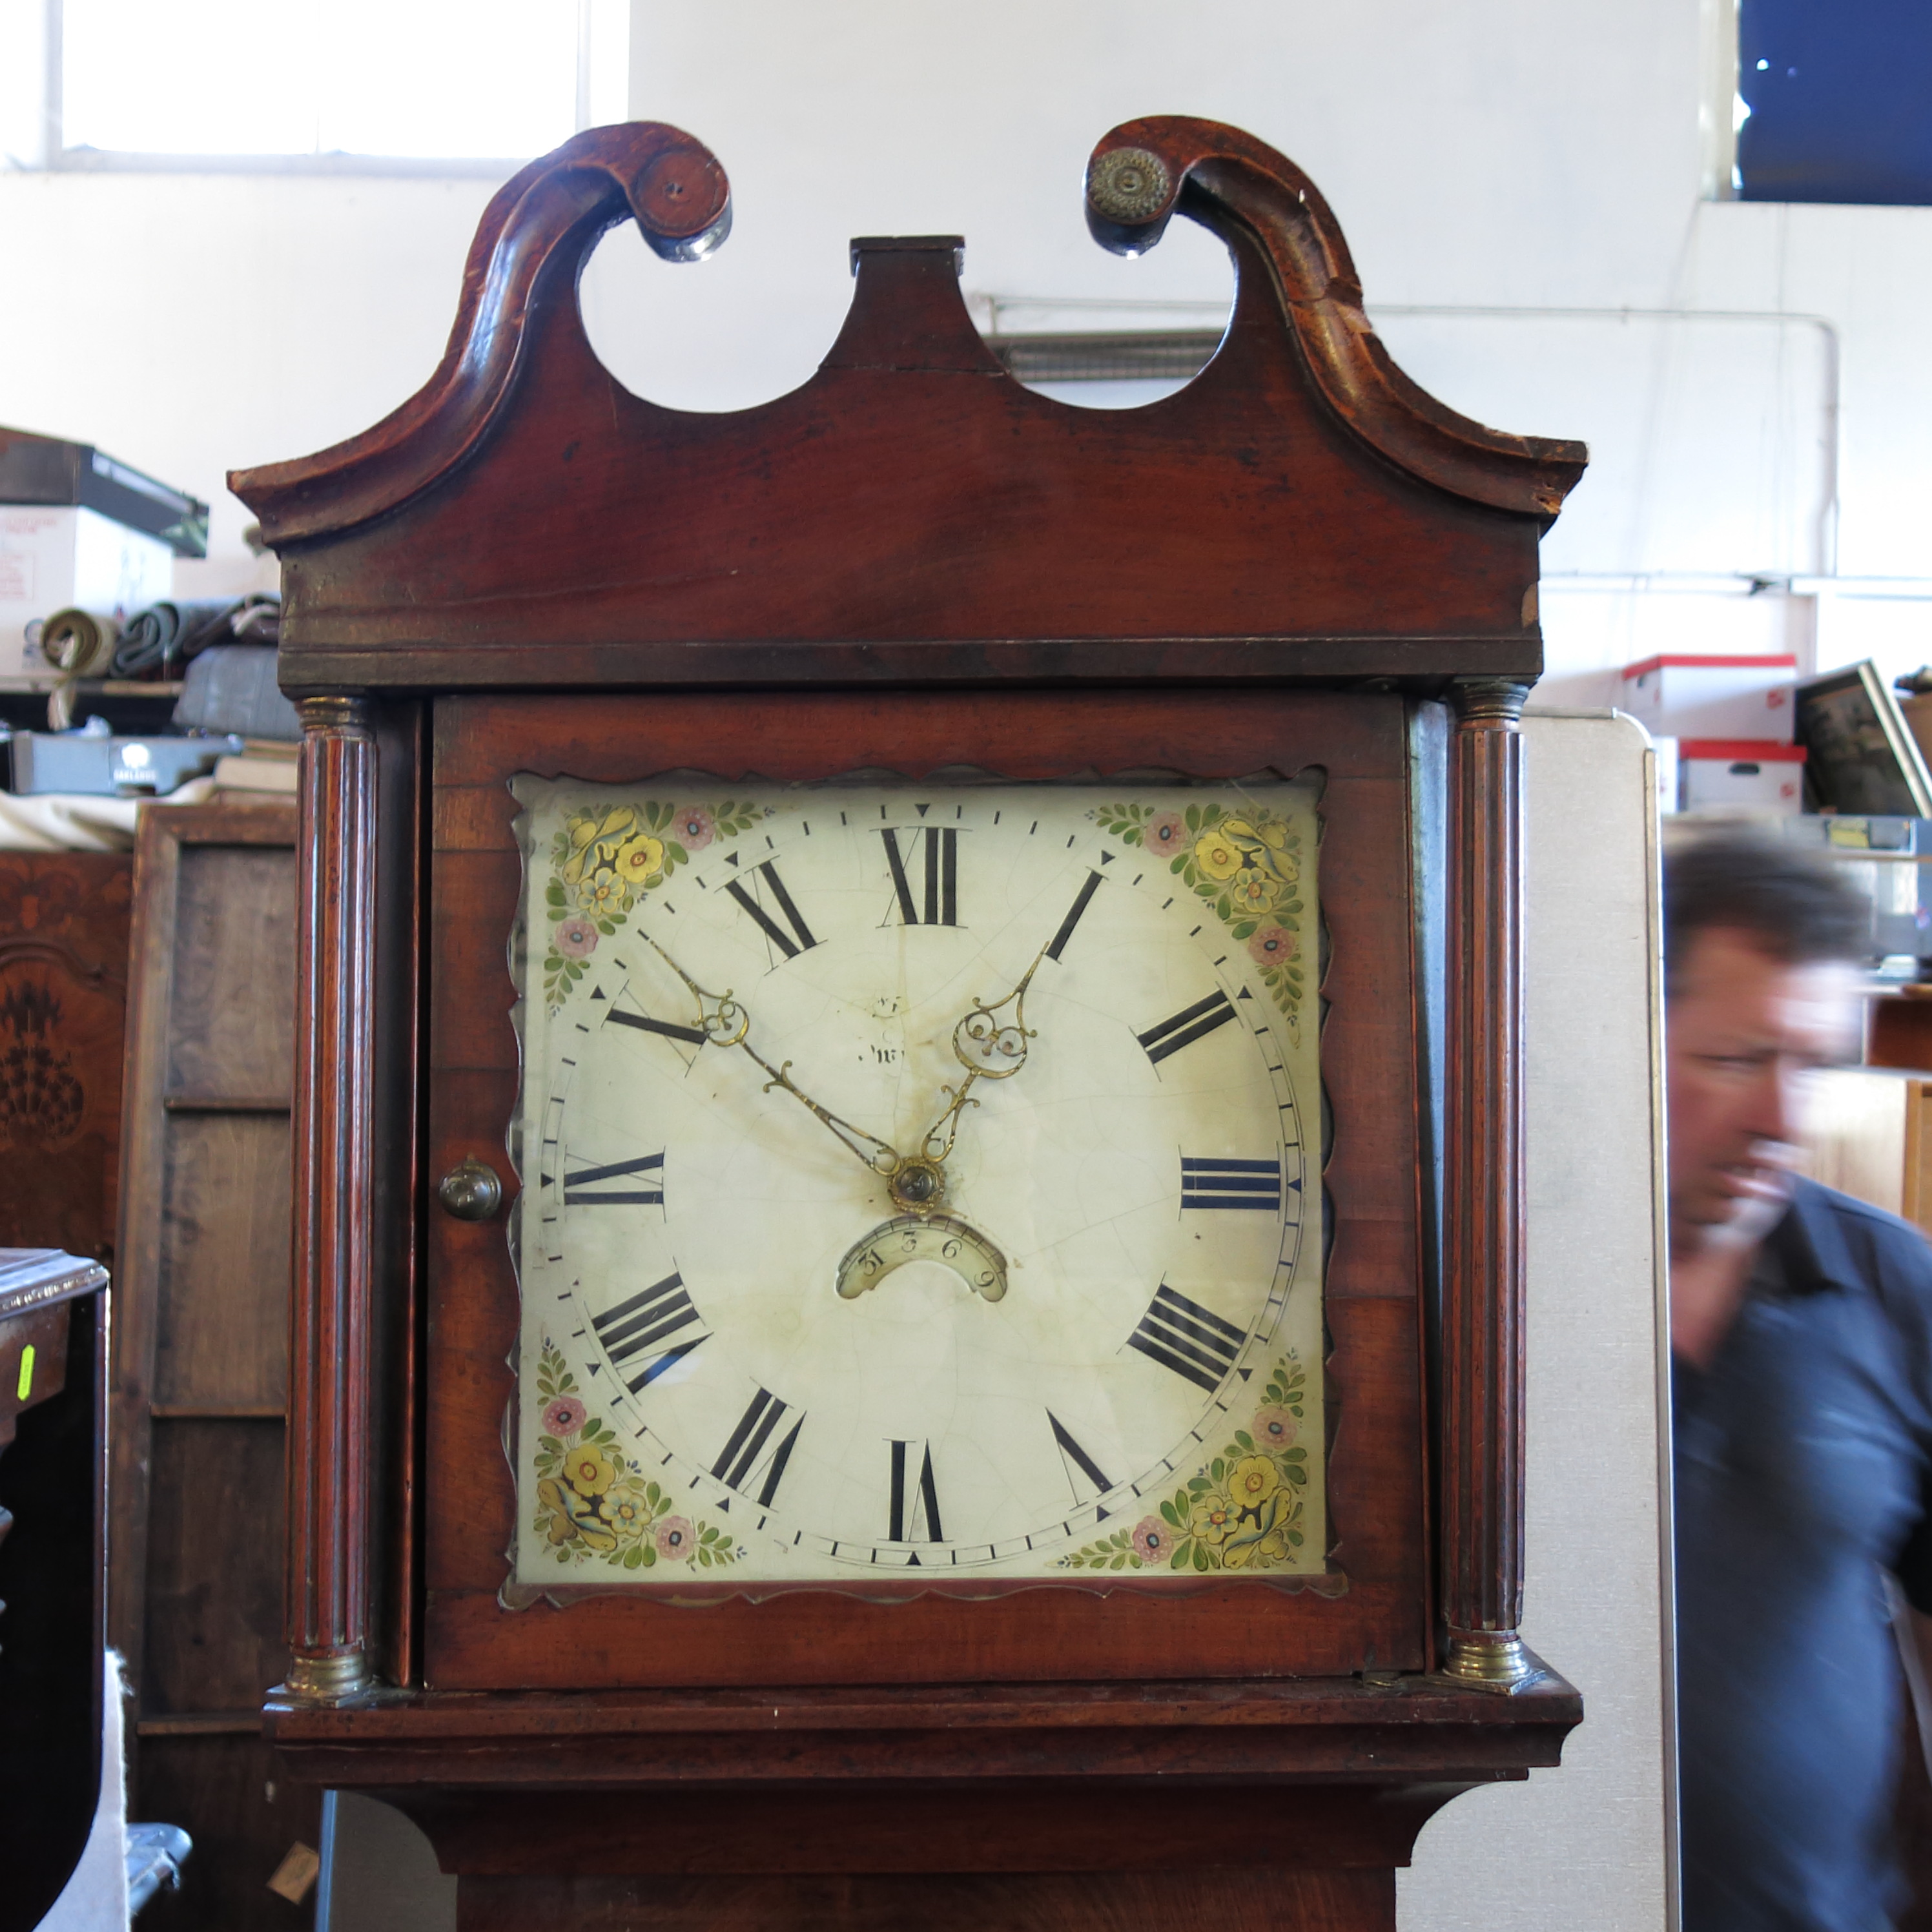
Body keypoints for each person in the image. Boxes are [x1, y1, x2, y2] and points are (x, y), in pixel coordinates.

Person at [1667, 823, 1932, 1931]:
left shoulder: (1892, 1284)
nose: (1787, 1119)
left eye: (1814, 1066)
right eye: (1737, 1060)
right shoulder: (1491, 1286)